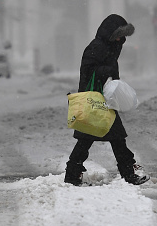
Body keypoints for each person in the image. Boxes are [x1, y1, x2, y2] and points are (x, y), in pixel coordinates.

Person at [64, 14, 149, 186]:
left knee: (100, 139)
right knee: (110, 138)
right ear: (109, 33)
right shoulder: (97, 47)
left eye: (122, 35)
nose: (121, 39)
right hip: (94, 99)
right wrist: (107, 72)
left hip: (103, 99)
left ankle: (73, 174)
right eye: (118, 34)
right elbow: (88, 72)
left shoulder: (110, 46)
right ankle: (127, 173)